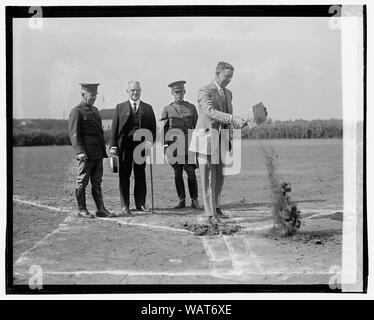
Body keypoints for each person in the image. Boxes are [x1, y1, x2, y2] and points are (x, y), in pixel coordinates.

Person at [189, 62, 249, 225]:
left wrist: (238, 124)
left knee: (220, 176)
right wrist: (231, 118)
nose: (229, 80)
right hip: (206, 139)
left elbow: (228, 117)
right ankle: (210, 215)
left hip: (221, 139)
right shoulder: (204, 91)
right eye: (226, 76)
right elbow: (210, 112)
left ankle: (215, 206)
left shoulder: (228, 93)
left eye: (231, 77)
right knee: (208, 177)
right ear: (217, 73)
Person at [109, 81, 156, 215]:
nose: (135, 93)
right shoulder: (120, 107)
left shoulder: (148, 108)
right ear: (127, 91)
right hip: (124, 146)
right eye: (132, 90)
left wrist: (149, 142)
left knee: (140, 174)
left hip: (141, 146)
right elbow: (114, 128)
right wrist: (113, 146)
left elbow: (152, 128)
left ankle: (140, 203)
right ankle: (125, 205)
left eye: (137, 90)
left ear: (140, 91)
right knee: (124, 175)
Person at [68, 83, 114, 218]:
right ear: (83, 94)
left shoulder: (95, 110)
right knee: (82, 181)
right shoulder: (76, 111)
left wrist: (102, 149)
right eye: (91, 95)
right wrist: (80, 151)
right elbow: (74, 134)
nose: (94, 97)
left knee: (97, 182)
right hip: (86, 154)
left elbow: (99, 132)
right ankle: (82, 209)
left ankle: (101, 209)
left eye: (95, 95)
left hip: (98, 152)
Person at [161, 80, 203, 210]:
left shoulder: (191, 108)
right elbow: (164, 130)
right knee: (177, 173)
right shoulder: (167, 109)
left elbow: (197, 128)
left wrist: (198, 146)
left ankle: (194, 200)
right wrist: (165, 146)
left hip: (189, 145)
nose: (179, 94)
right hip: (174, 147)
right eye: (176, 92)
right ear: (172, 93)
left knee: (191, 173)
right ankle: (181, 200)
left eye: (181, 91)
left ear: (185, 92)